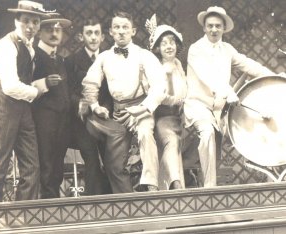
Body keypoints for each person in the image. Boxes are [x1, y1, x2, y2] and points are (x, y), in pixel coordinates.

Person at [184, 6, 276, 187]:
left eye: (218, 26)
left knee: (253, 125)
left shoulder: (227, 49)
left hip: (219, 108)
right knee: (208, 133)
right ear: (204, 27)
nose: (213, 30)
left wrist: (274, 76)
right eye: (210, 26)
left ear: (223, 28)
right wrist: (228, 92)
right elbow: (207, 76)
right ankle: (210, 189)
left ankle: (269, 178)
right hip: (198, 105)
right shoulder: (196, 49)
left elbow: (249, 65)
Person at [79, 11, 166, 193]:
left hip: (141, 108)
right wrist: (95, 106)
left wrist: (144, 108)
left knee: (144, 134)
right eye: (116, 27)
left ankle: (152, 186)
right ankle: (126, 201)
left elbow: (160, 86)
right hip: (118, 113)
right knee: (114, 163)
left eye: (125, 27)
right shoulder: (104, 57)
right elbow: (89, 83)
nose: (121, 31)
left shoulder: (144, 55)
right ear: (110, 32)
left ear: (133, 31)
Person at [0, 1, 49, 202]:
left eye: (36, 22)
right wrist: (35, 92)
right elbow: (10, 86)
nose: (31, 27)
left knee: (32, 166)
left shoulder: (30, 48)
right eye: (26, 22)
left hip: (23, 109)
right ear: (16, 21)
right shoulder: (5, 45)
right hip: (2, 107)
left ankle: (24, 215)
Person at [66, 18, 112, 195]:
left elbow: (111, 91)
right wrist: (81, 103)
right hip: (82, 121)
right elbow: (68, 91)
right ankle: (93, 205)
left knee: (111, 160)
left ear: (102, 37)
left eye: (97, 33)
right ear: (80, 36)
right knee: (91, 158)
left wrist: (105, 108)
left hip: (105, 118)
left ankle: (114, 203)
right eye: (89, 33)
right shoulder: (71, 61)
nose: (93, 37)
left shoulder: (109, 59)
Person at [32, 14, 72, 199]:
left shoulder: (60, 59)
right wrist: (44, 82)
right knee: (46, 162)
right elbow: (24, 84)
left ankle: (54, 203)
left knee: (57, 162)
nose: (54, 33)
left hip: (61, 119)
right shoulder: (34, 55)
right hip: (43, 118)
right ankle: (48, 206)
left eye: (57, 30)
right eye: (49, 30)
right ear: (39, 32)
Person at [145, 15, 186, 190]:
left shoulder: (178, 64)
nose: (169, 46)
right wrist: (167, 76)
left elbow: (184, 90)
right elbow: (167, 96)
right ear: (157, 48)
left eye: (172, 42)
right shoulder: (158, 68)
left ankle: (177, 181)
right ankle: (175, 183)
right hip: (164, 116)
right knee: (171, 141)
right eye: (164, 43)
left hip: (180, 116)